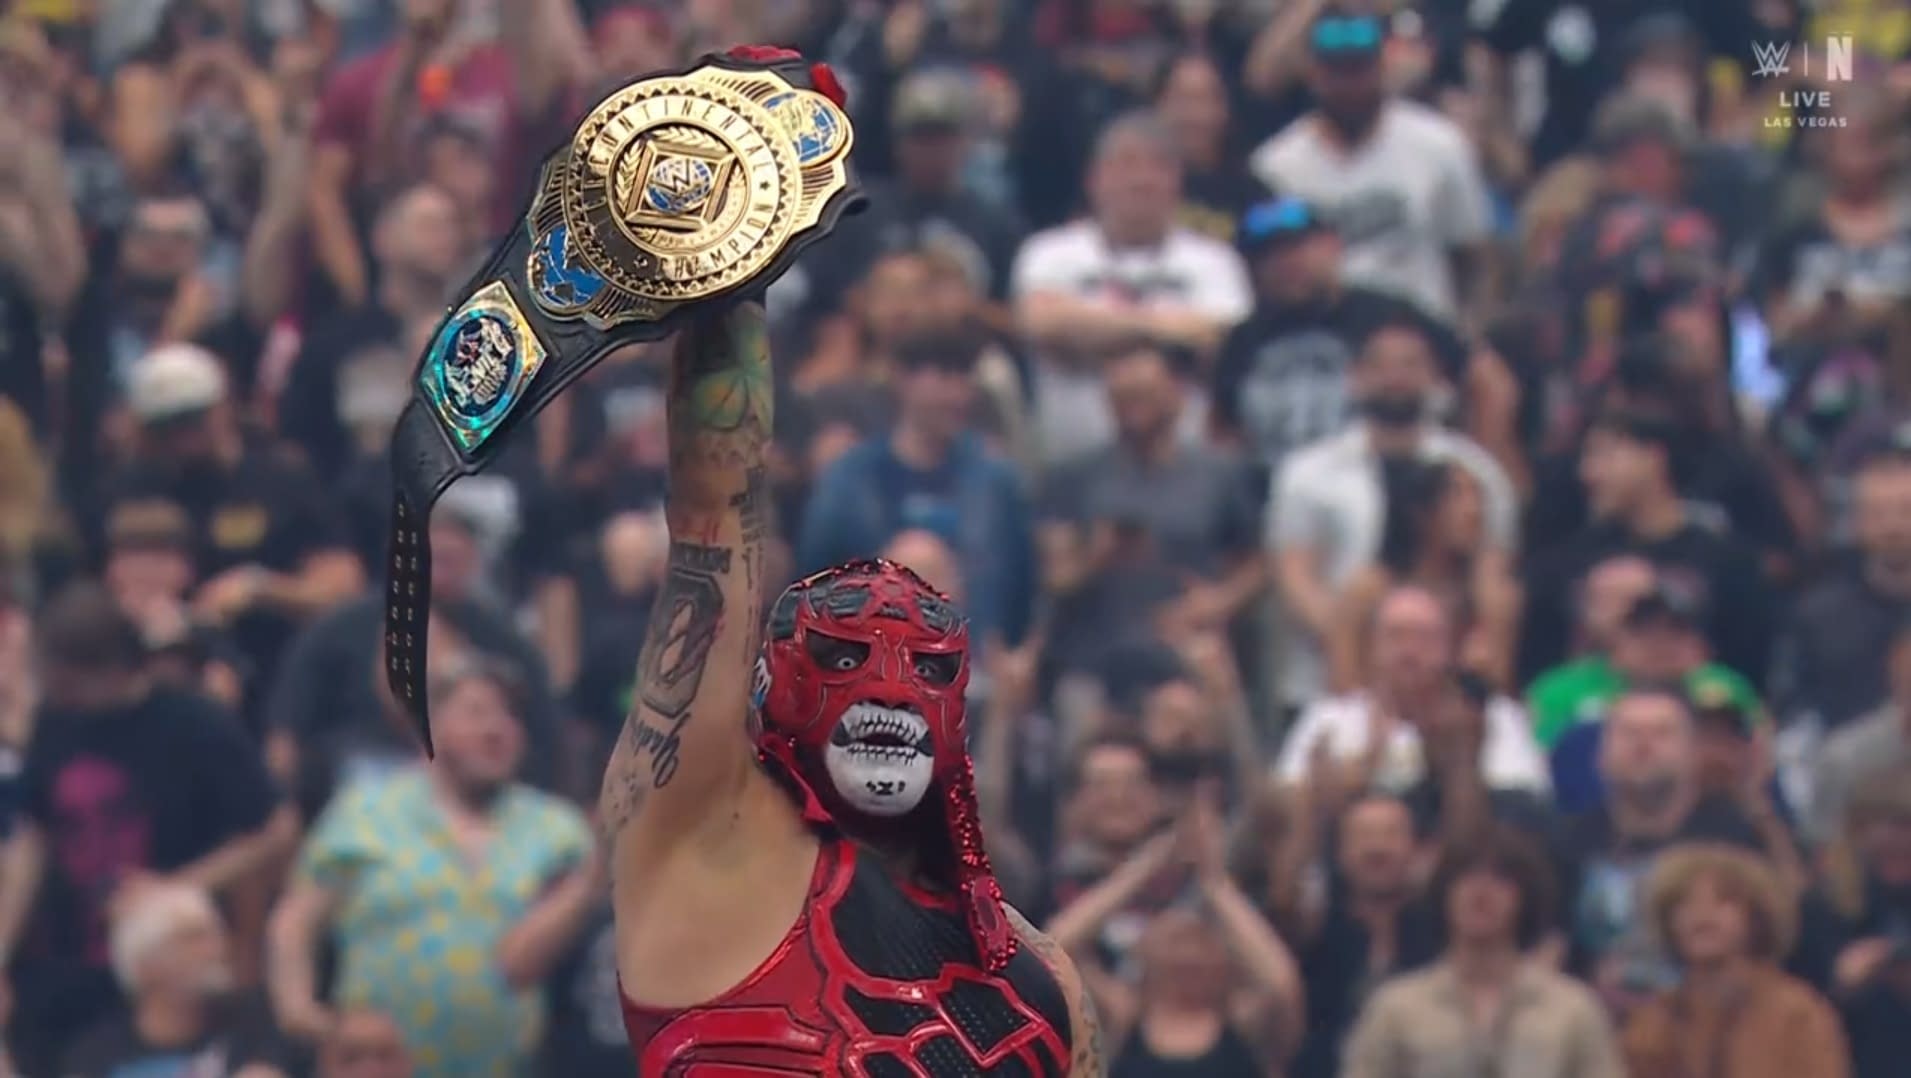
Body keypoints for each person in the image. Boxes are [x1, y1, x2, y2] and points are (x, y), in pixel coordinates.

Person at [604, 303, 1097, 1073]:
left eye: (923, 666)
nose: (887, 686)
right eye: (846, 656)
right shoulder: (699, 844)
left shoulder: (1039, 982)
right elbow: (712, 524)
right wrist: (724, 290)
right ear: (773, 686)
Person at [267, 659, 594, 1077]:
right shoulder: (366, 812)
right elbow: (296, 921)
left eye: (509, 715)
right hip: (377, 1065)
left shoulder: (556, 829)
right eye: (476, 712)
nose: (496, 728)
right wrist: (298, 1009)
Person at [1342, 828, 1623, 1078]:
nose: (1480, 891)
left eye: (1500, 879)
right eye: (1465, 878)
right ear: (1444, 894)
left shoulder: (1572, 1011)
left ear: (1525, 897)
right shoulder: (1395, 1010)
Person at [1623, 843, 1851, 1078]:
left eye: (1723, 901)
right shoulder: (1653, 1022)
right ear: (1667, 923)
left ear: (1756, 919)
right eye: (1684, 903)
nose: (1702, 913)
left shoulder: (1797, 1014)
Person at [62, 880, 292, 1078]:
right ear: (145, 966)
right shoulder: (94, 1056)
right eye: (191, 939)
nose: (216, 949)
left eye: (215, 934)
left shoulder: (253, 1026)